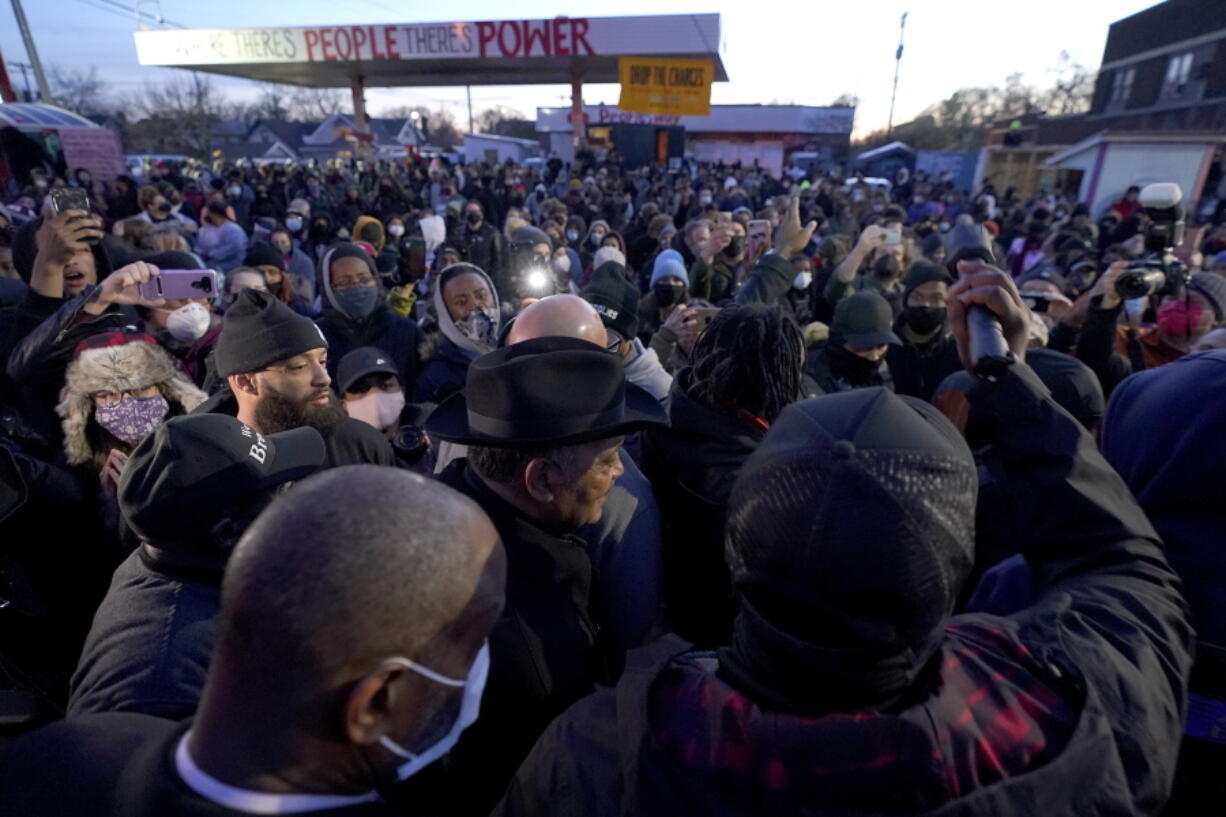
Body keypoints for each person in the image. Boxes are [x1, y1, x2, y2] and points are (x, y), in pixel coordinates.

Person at [497, 265, 1193, 817]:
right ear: (954, 569)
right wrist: (1010, 378)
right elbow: (1127, 563)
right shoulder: (1069, 715)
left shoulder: (599, 751)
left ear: (741, 553)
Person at [1, 466, 506, 816]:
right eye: (470, 639)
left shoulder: (55, 755)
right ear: (375, 702)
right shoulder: (148, 684)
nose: (483, 662)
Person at [421, 336, 667, 814]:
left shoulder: (446, 502)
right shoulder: (528, 640)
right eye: (606, 458)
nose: (620, 470)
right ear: (542, 480)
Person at [67, 414, 326, 720]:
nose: (296, 499)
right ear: (227, 532)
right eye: (281, 491)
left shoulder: (178, 557)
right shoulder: (159, 688)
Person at [642, 304, 804, 647]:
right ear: (777, 378)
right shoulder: (761, 483)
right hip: (719, 637)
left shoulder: (662, 419)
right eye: (794, 370)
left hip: (667, 621)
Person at [196, 289, 394, 468]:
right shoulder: (205, 461)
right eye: (300, 366)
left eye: (323, 361)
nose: (324, 379)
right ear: (245, 382)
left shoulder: (361, 445)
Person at [1072, 264, 1226, 395]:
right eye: (1172, 298)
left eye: (1191, 301)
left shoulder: (1215, 368)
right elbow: (1095, 358)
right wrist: (1108, 305)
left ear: (1216, 320)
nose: (1176, 304)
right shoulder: (1125, 339)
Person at [315, 243, 419, 395]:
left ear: (375, 280)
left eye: (364, 279)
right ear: (328, 289)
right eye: (344, 282)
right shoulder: (317, 339)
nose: (357, 287)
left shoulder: (407, 332)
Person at [582, 262, 672, 406]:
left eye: (608, 338)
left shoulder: (660, 391)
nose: (596, 346)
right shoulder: (574, 369)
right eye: (587, 335)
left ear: (627, 337)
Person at [414, 263, 501, 404]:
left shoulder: (517, 344)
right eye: (461, 302)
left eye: (481, 295)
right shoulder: (436, 379)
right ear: (446, 314)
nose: (475, 305)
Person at [885, 262, 962, 401]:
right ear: (906, 300)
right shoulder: (885, 346)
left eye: (936, 298)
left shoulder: (957, 349)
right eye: (917, 297)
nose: (926, 305)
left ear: (948, 302)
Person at [805, 290, 901, 395]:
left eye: (881, 346)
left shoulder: (882, 372)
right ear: (838, 342)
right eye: (863, 347)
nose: (874, 357)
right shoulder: (812, 376)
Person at [336, 346, 406, 436]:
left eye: (384, 386)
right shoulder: (334, 448)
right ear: (343, 406)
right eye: (361, 390)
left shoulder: (427, 439)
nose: (375, 396)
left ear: (402, 393)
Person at [458, 200, 503, 288]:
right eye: (470, 212)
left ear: (481, 213)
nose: (473, 214)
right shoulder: (459, 233)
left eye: (475, 212)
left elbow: (497, 260)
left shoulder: (492, 233)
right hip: (464, 277)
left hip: (485, 278)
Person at [196, 202, 248, 273]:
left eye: (209, 213)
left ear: (215, 213)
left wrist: (211, 254)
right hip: (207, 263)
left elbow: (235, 247)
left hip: (230, 265)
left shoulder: (234, 229)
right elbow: (200, 246)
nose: (207, 215)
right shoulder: (207, 228)